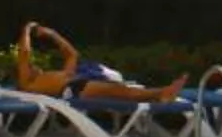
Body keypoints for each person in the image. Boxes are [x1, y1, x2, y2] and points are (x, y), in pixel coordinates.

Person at [15, 22, 186, 103]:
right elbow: (24, 54)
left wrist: (52, 34)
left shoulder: (55, 75)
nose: (35, 66)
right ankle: (161, 93)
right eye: (32, 67)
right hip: (70, 90)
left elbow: (72, 55)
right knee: (116, 90)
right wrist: (27, 30)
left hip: (75, 84)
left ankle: (159, 94)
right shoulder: (28, 83)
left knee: (120, 90)